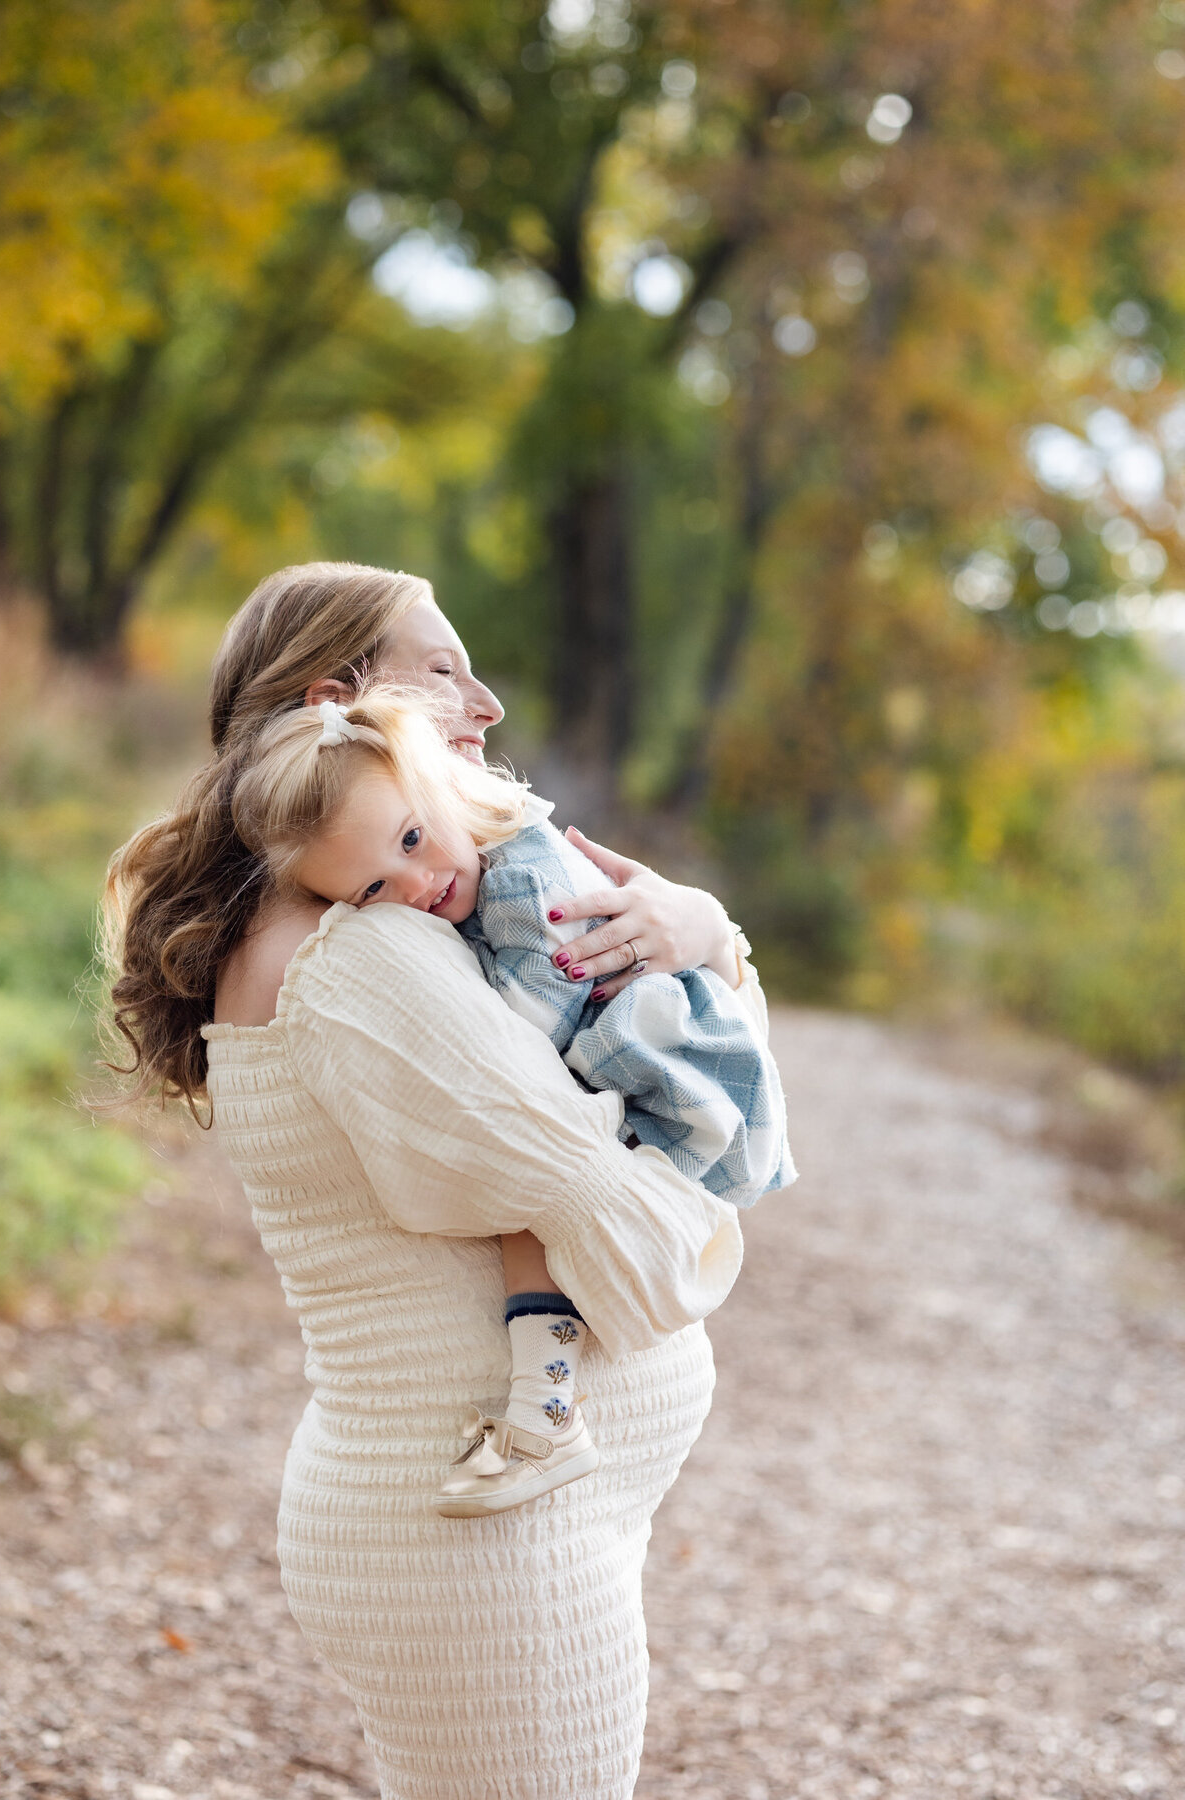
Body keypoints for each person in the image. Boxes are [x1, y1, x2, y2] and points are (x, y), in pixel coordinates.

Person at [105, 561, 785, 1800]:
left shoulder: (400, 921)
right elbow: (611, 1203)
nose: (484, 705)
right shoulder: (367, 955)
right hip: (482, 1544)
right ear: (343, 703)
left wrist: (696, 928)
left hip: (514, 1525)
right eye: (443, 670)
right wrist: (710, 969)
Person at [224, 682, 795, 1515]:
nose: (415, 884)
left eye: (413, 839)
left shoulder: (525, 871)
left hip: (670, 1072)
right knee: (529, 1206)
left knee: (535, 1193)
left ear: (438, 781)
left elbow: (535, 1018)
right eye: (373, 891)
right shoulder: (456, 874)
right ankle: (546, 1416)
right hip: (623, 1059)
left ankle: (545, 1420)